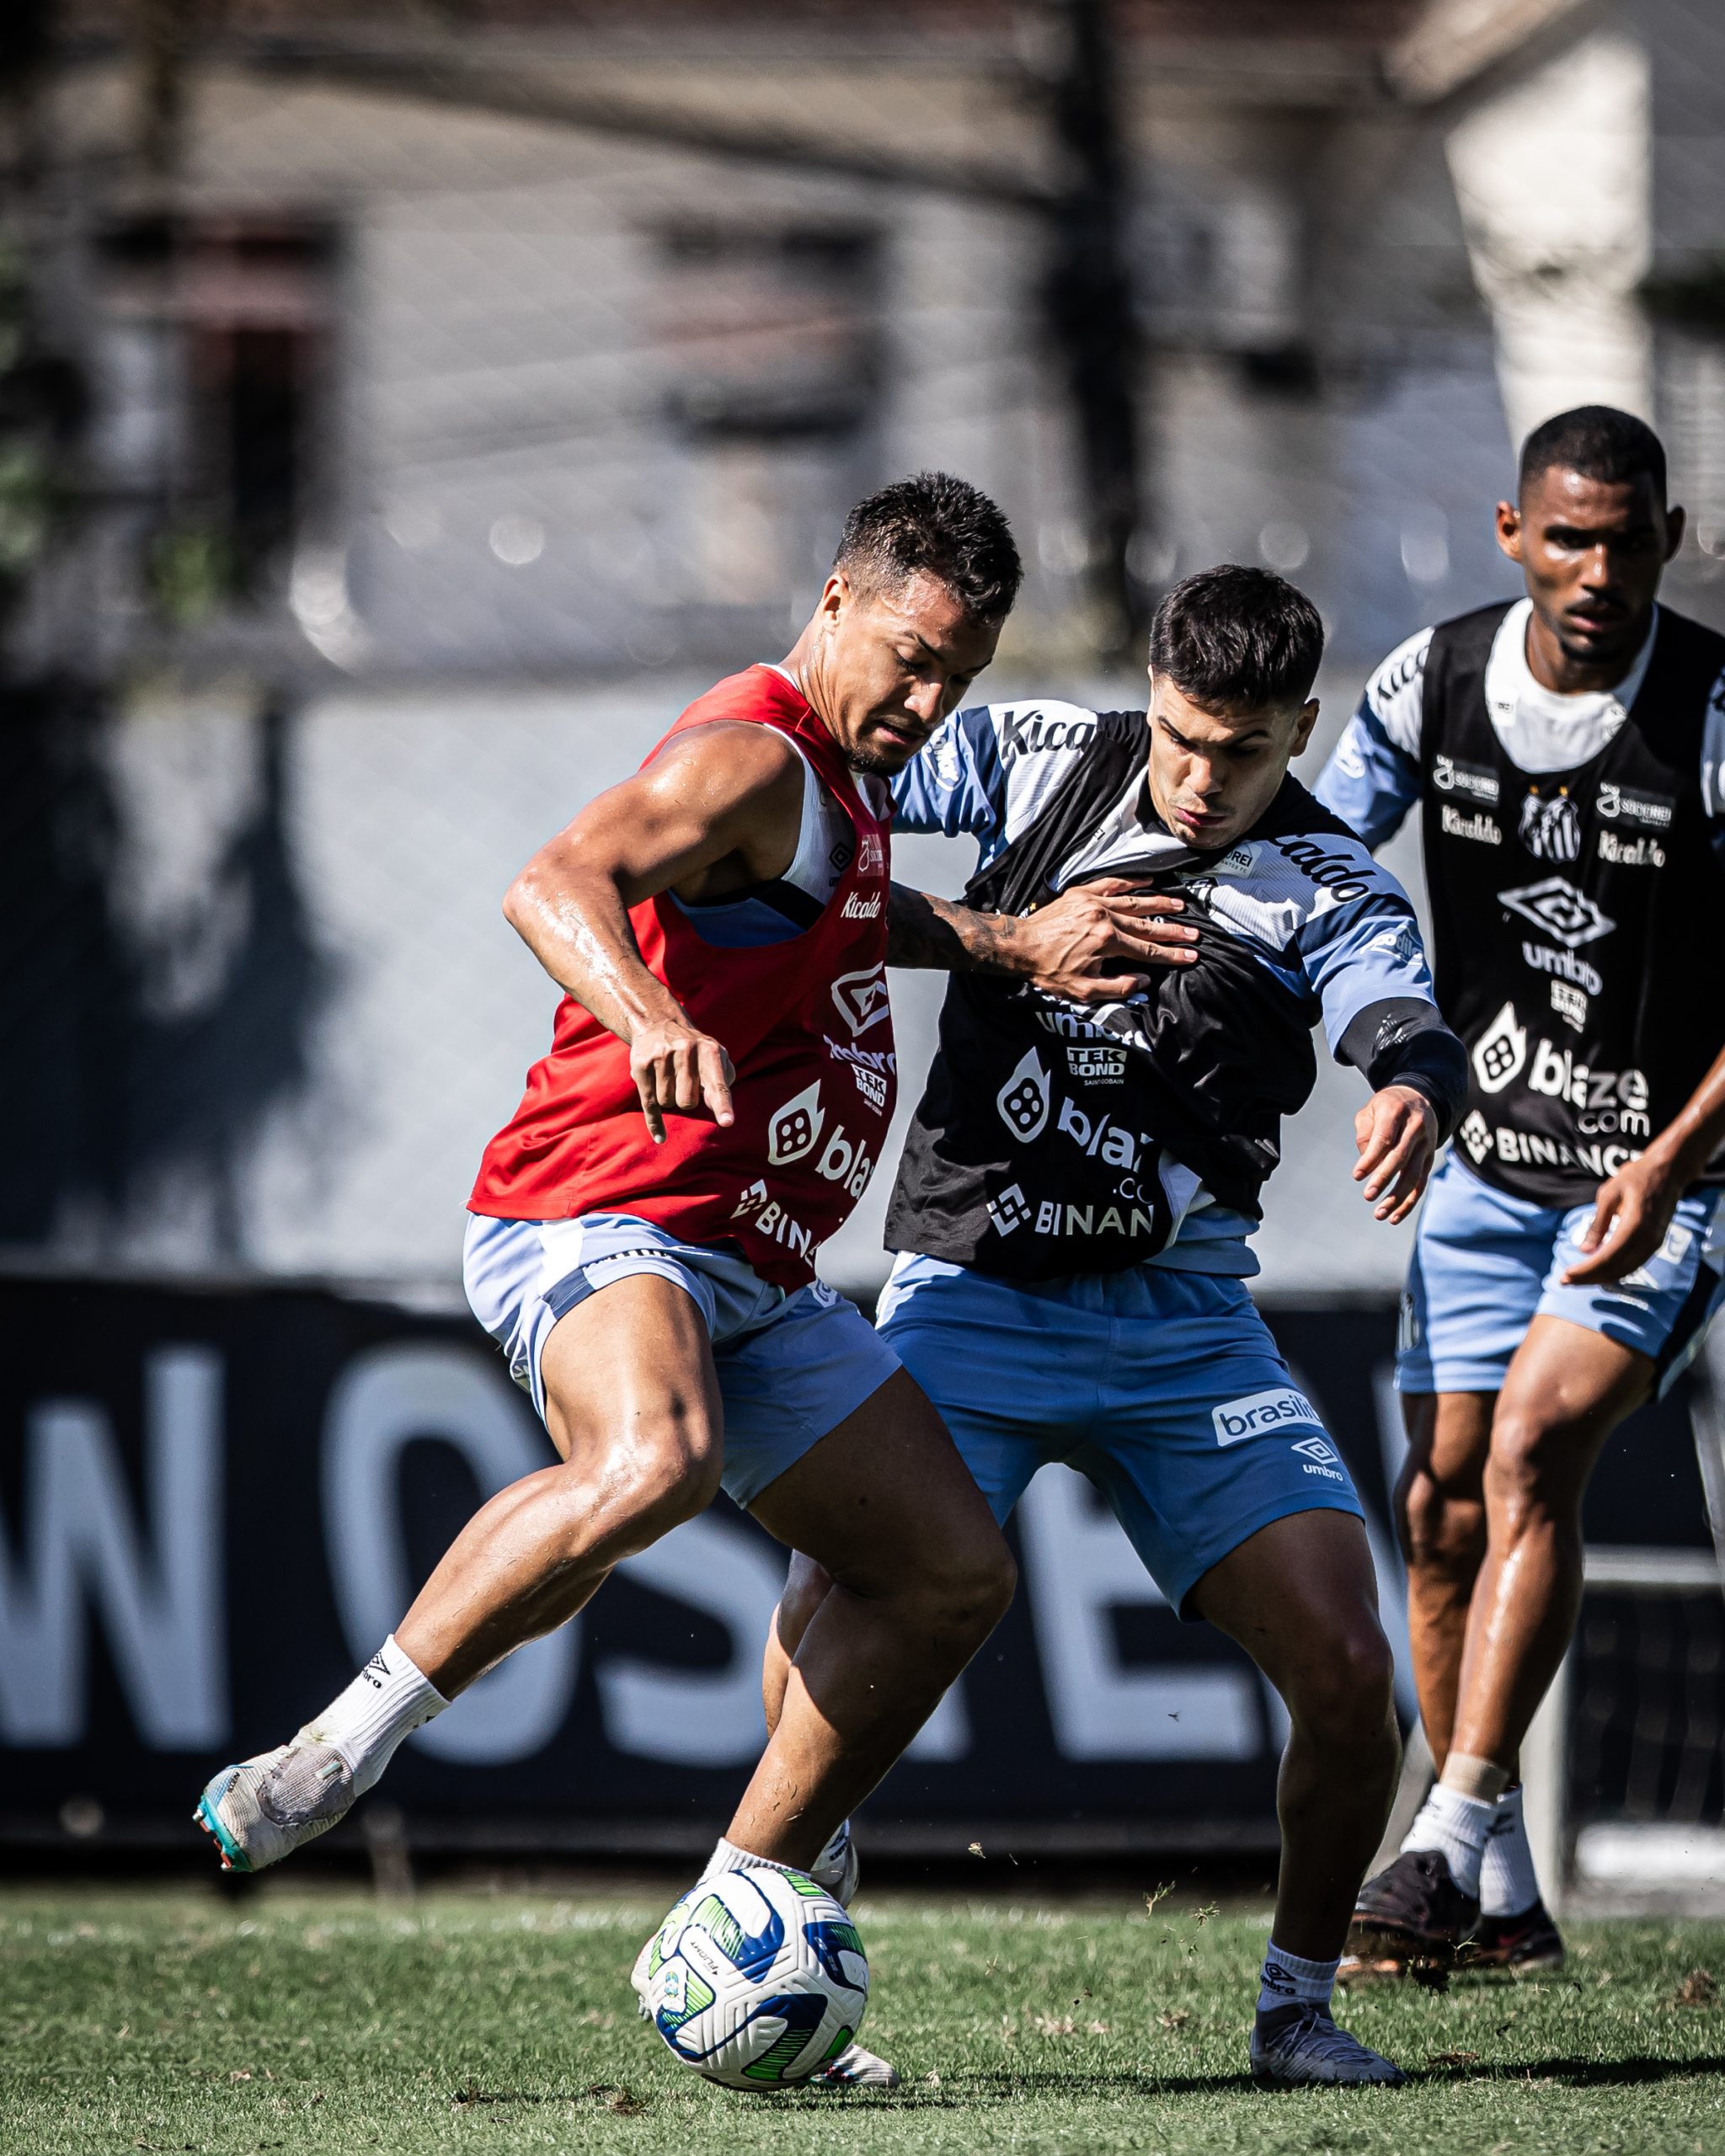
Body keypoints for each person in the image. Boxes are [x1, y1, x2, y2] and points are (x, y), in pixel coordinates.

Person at [195, 473, 1172, 2090]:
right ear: (842, 600)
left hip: (751, 1266)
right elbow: (557, 879)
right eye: (914, 657)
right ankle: (334, 1754)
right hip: (599, 1215)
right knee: (654, 1461)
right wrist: (648, 1010)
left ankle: (742, 1908)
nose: (929, 704)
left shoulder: (842, 790)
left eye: (963, 678)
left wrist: (1005, 941)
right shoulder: (754, 751)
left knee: (951, 1575)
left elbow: (851, 911)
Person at [771, 564, 1470, 2088]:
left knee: (1354, 1675)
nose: (1203, 779)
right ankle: (794, 1936)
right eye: (1180, 737)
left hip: (1186, 1329)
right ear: (1150, 690)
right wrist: (972, 921)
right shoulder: (1033, 758)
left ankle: (1295, 2012)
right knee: (832, 1601)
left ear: (1304, 728)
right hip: (975, 1299)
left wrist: (1414, 1085)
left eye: (1245, 751)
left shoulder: (1330, 880)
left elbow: (1400, 1013)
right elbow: (833, 785)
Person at [1314, 407, 1725, 1981]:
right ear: (1510, 532)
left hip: (1667, 1173)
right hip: (1489, 1161)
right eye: (1568, 536)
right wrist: (1400, 1066)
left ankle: (1441, 1834)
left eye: (1627, 540)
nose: (1597, 570)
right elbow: (1321, 869)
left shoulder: (1707, 709)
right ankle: (1499, 1903)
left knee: (1544, 1443)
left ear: (1670, 543)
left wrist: (1673, 1158)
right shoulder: (1428, 684)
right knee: (1439, 1506)